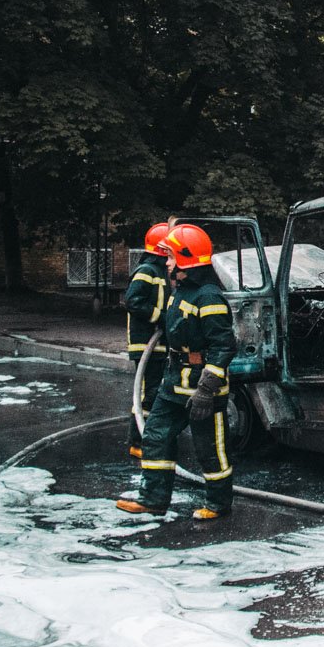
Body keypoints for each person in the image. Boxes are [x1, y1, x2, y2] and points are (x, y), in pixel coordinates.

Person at [116, 223, 237, 520]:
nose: (166, 263)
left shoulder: (209, 298)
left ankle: (218, 504)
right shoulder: (180, 292)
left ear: (185, 260)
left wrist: (207, 390)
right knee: (155, 436)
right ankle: (152, 499)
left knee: (209, 450)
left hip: (201, 390)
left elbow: (223, 347)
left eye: (170, 257)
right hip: (174, 385)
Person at [122, 223, 170, 459]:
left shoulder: (161, 272)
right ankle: (138, 442)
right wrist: (161, 318)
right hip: (146, 343)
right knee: (148, 393)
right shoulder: (147, 271)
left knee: (155, 391)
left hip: (160, 344)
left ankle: (149, 437)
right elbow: (133, 302)